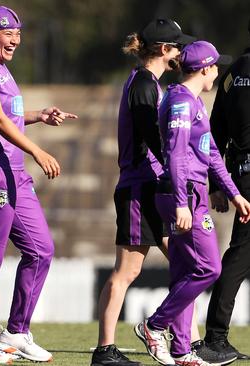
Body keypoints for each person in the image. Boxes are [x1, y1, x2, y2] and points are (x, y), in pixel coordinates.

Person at [0, 5, 77, 363]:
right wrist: (38, 151)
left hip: (14, 175)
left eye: (19, 33)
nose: (16, 39)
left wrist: (38, 116)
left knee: (41, 250)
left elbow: (7, 112)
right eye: (8, 32)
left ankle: (16, 332)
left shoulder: (3, 70)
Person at [91, 19, 204, 366]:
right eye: (177, 46)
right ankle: (105, 349)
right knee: (127, 272)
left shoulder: (150, 84)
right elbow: (151, 140)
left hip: (149, 185)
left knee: (188, 265)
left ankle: (190, 341)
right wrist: (176, 170)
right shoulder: (143, 84)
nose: (182, 53)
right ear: (164, 50)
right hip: (140, 186)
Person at [135, 40, 250, 366]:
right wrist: (183, 202)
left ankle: (182, 349)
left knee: (184, 271)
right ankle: (155, 325)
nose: (218, 72)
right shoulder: (182, 103)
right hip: (184, 194)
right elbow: (174, 154)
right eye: (215, 66)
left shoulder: (193, 101)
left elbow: (213, 154)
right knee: (208, 268)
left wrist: (235, 194)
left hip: (191, 192)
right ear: (204, 69)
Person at [203, 19, 250, 362]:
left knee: (240, 253)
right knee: (241, 254)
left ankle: (216, 335)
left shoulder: (234, 74)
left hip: (242, 173)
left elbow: (215, 132)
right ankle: (215, 337)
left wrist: (217, 184)